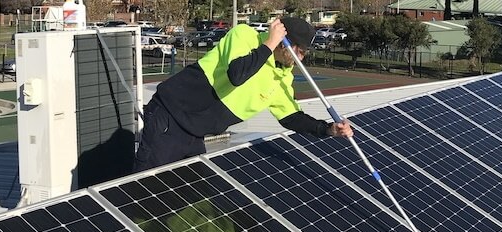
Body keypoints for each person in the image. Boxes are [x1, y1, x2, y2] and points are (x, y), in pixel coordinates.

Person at [133, 17, 353, 172]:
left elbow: (290, 117)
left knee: (193, 197)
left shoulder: (283, 76)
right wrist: (269, 43)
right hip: (169, 119)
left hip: (195, 133)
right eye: (300, 51)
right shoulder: (245, 36)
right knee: (145, 192)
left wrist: (327, 129)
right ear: (284, 42)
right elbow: (236, 75)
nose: (301, 59)